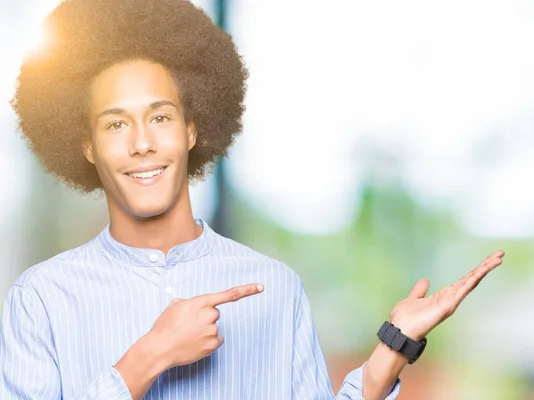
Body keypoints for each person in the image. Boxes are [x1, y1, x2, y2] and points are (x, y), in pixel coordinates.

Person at [0, 0, 504, 399]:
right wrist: (148, 357)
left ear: (193, 130)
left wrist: (394, 345)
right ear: (87, 145)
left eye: (160, 117)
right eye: (115, 123)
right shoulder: (42, 299)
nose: (141, 143)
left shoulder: (275, 290)